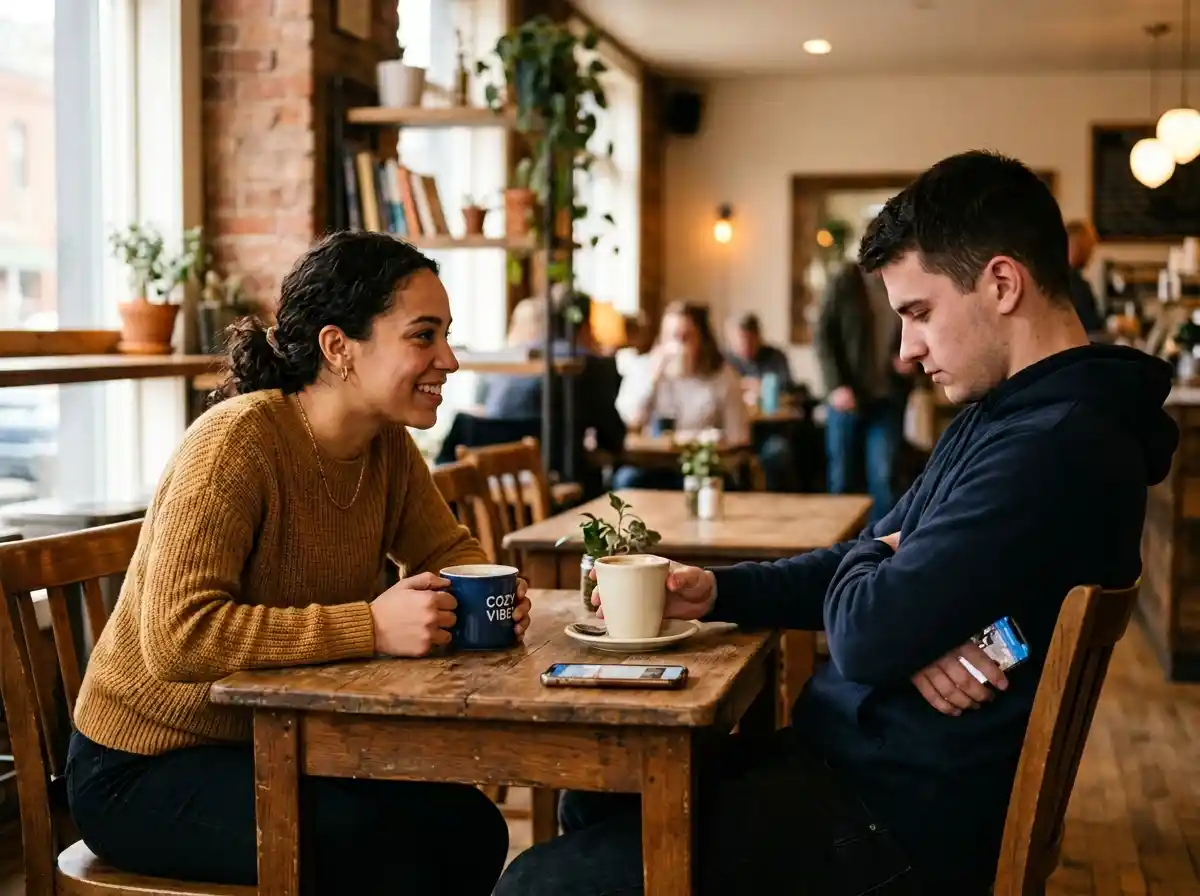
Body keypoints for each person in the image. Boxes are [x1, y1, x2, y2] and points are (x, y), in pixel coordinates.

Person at [494, 150, 1178, 895]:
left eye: (919, 314)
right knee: (596, 790)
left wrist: (888, 577)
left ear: (1003, 283)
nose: (907, 351)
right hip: (863, 765)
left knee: (541, 883)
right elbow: (874, 581)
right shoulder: (1005, 415)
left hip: (900, 817)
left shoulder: (1056, 444)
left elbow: (864, 632)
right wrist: (722, 593)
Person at [66, 232, 530, 893]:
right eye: (423, 336)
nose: (448, 359)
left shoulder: (386, 447)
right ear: (339, 347)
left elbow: (448, 550)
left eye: (446, 335)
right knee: (381, 852)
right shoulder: (237, 444)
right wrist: (369, 628)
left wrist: (484, 596)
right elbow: (177, 640)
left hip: (275, 742)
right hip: (144, 766)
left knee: (472, 829)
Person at [480, 287, 625, 498]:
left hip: (494, 481)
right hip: (555, 481)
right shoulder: (587, 363)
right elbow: (613, 437)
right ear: (586, 323)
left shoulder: (514, 357)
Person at [816, 261, 915, 522]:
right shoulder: (844, 281)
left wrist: (906, 358)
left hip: (887, 397)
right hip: (846, 399)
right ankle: (838, 554)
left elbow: (910, 326)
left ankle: (881, 550)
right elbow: (824, 334)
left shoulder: (902, 281)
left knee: (885, 477)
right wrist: (835, 385)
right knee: (843, 480)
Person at [612, 301, 748, 490]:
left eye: (686, 338)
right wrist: (652, 379)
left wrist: (705, 441)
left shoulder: (723, 376)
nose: (677, 346)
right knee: (627, 480)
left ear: (702, 339)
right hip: (654, 465)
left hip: (702, 466)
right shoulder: (643, 369)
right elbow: (630, 419)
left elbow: (739, 437)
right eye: (671, 337)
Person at [725, 312, 801, 491]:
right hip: (732, 434)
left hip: (768, 431)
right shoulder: (723, 361)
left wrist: (758, 388)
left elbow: (787, 390)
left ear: (758, 337)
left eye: (749, 340)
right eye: (739, 340)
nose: (744, 345)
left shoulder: (775, 357)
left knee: (778, 453)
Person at [1065, 219, 1105, 333]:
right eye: (1089, 248)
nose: (1091, 254)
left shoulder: (1050, 278)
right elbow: (1093, 328)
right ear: (1078, 245)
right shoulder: (1076, 285)